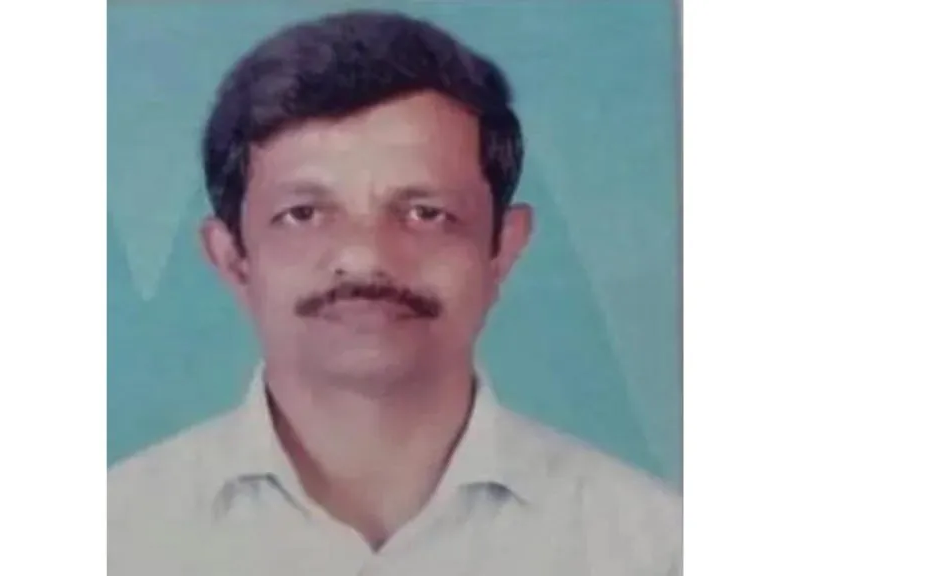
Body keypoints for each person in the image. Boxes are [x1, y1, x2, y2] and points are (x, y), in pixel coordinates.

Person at [108, 9, 681, 576]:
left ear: (502, 249)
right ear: (233, 258)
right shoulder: (114, 538)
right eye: (304, 213)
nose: (366, 257)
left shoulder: (656, 547)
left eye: (425, 213)